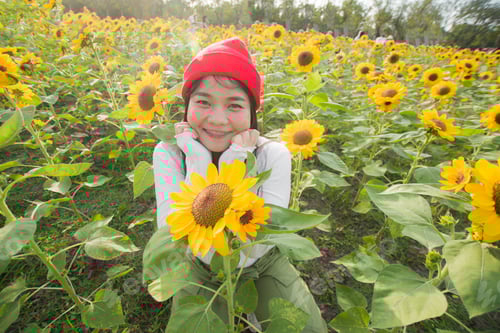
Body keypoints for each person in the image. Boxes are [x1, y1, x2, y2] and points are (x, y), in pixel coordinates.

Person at [153, 37, 328, 333]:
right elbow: (178, 238)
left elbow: (256, 249)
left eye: (234, 105)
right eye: (203, 102)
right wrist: (197, 158)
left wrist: (236, 161)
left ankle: (256, 313)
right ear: (187, 106)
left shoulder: (272, 154)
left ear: (251, 112)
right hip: (196, 265)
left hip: (260, 264)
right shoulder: (170, 152)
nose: (218, 119)